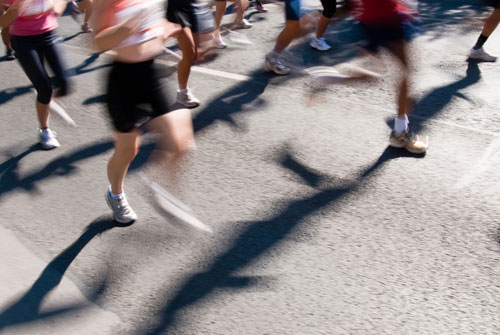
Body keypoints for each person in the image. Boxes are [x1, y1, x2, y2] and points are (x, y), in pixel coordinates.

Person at [93, 0, 196, 224]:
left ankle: (160, 190)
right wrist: (127, 27)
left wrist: (170, 28)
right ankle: (116, 194)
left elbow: (155, 22)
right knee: (128, 150)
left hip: (150, 74)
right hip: (123, 80)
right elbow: (97, 42)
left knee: (181, 142)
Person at [340, 0, 427, 154]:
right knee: (404, 70)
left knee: (378, 72)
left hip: (370, 17)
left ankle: (329, 77)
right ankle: (400, 132)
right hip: (387, 16)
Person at [0, 0, 71, 149]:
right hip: (23, 40)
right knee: (44, 87)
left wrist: (56, 9)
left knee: (65, 84)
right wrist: (21, 4)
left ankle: (46, 102)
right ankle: (44, 130)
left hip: (48, 34)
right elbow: (3, 22)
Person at [166, 0, 201, 108]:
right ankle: (183, 92)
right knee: (189, 52)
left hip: (190, 6)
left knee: (194, 55)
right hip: (173, 8)